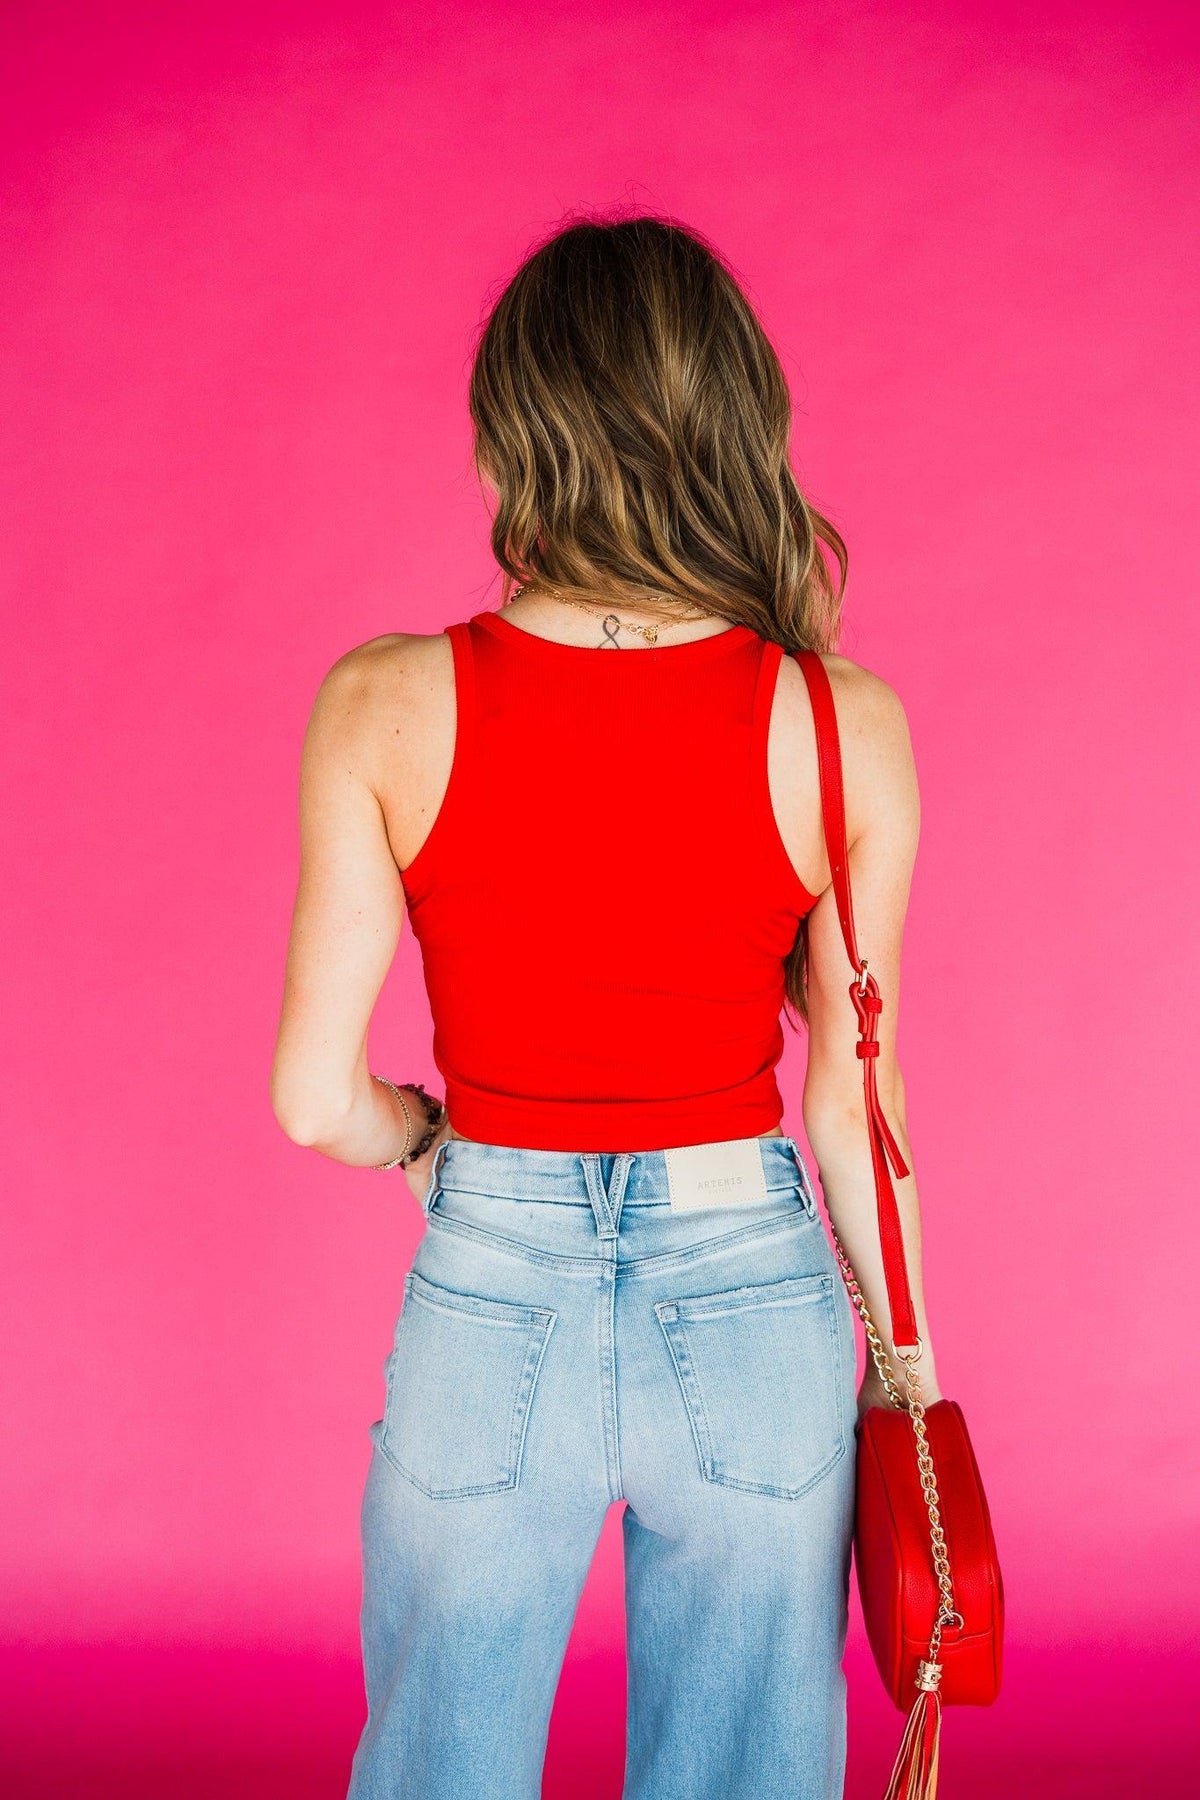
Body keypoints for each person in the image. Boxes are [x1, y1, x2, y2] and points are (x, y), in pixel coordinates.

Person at [271, 212, 939, 1800]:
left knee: (436, 1762)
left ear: (509, 435)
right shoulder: (837, 723)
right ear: (738, 420)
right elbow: (855, 1101)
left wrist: (421, 1141)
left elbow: (311, 1098)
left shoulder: (384, 700)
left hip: (490, 1280)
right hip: (753, 1296)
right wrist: (911, 1371)